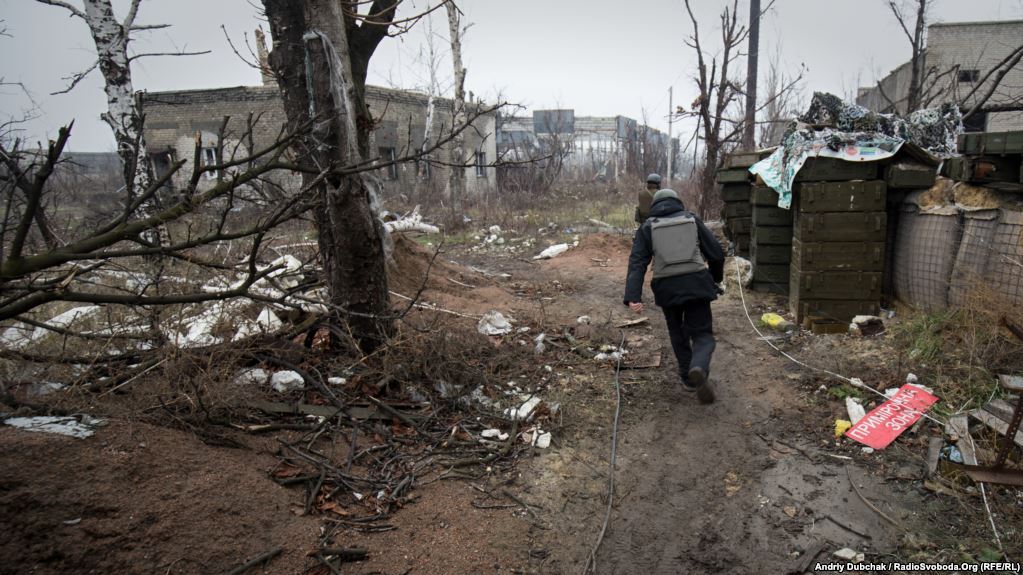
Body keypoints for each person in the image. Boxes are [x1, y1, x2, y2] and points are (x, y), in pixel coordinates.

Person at [623, 189, 725, 404]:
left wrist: (633, 295)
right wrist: (714, 279)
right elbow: (716, 253)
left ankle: (688, 378)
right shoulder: (691, 220)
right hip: (697, 283)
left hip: (666, 287)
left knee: (677, 331)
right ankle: (698, 366)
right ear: (678, 202)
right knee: (702, 334)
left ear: (654, 206)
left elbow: (637, 262)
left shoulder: (647, 226)